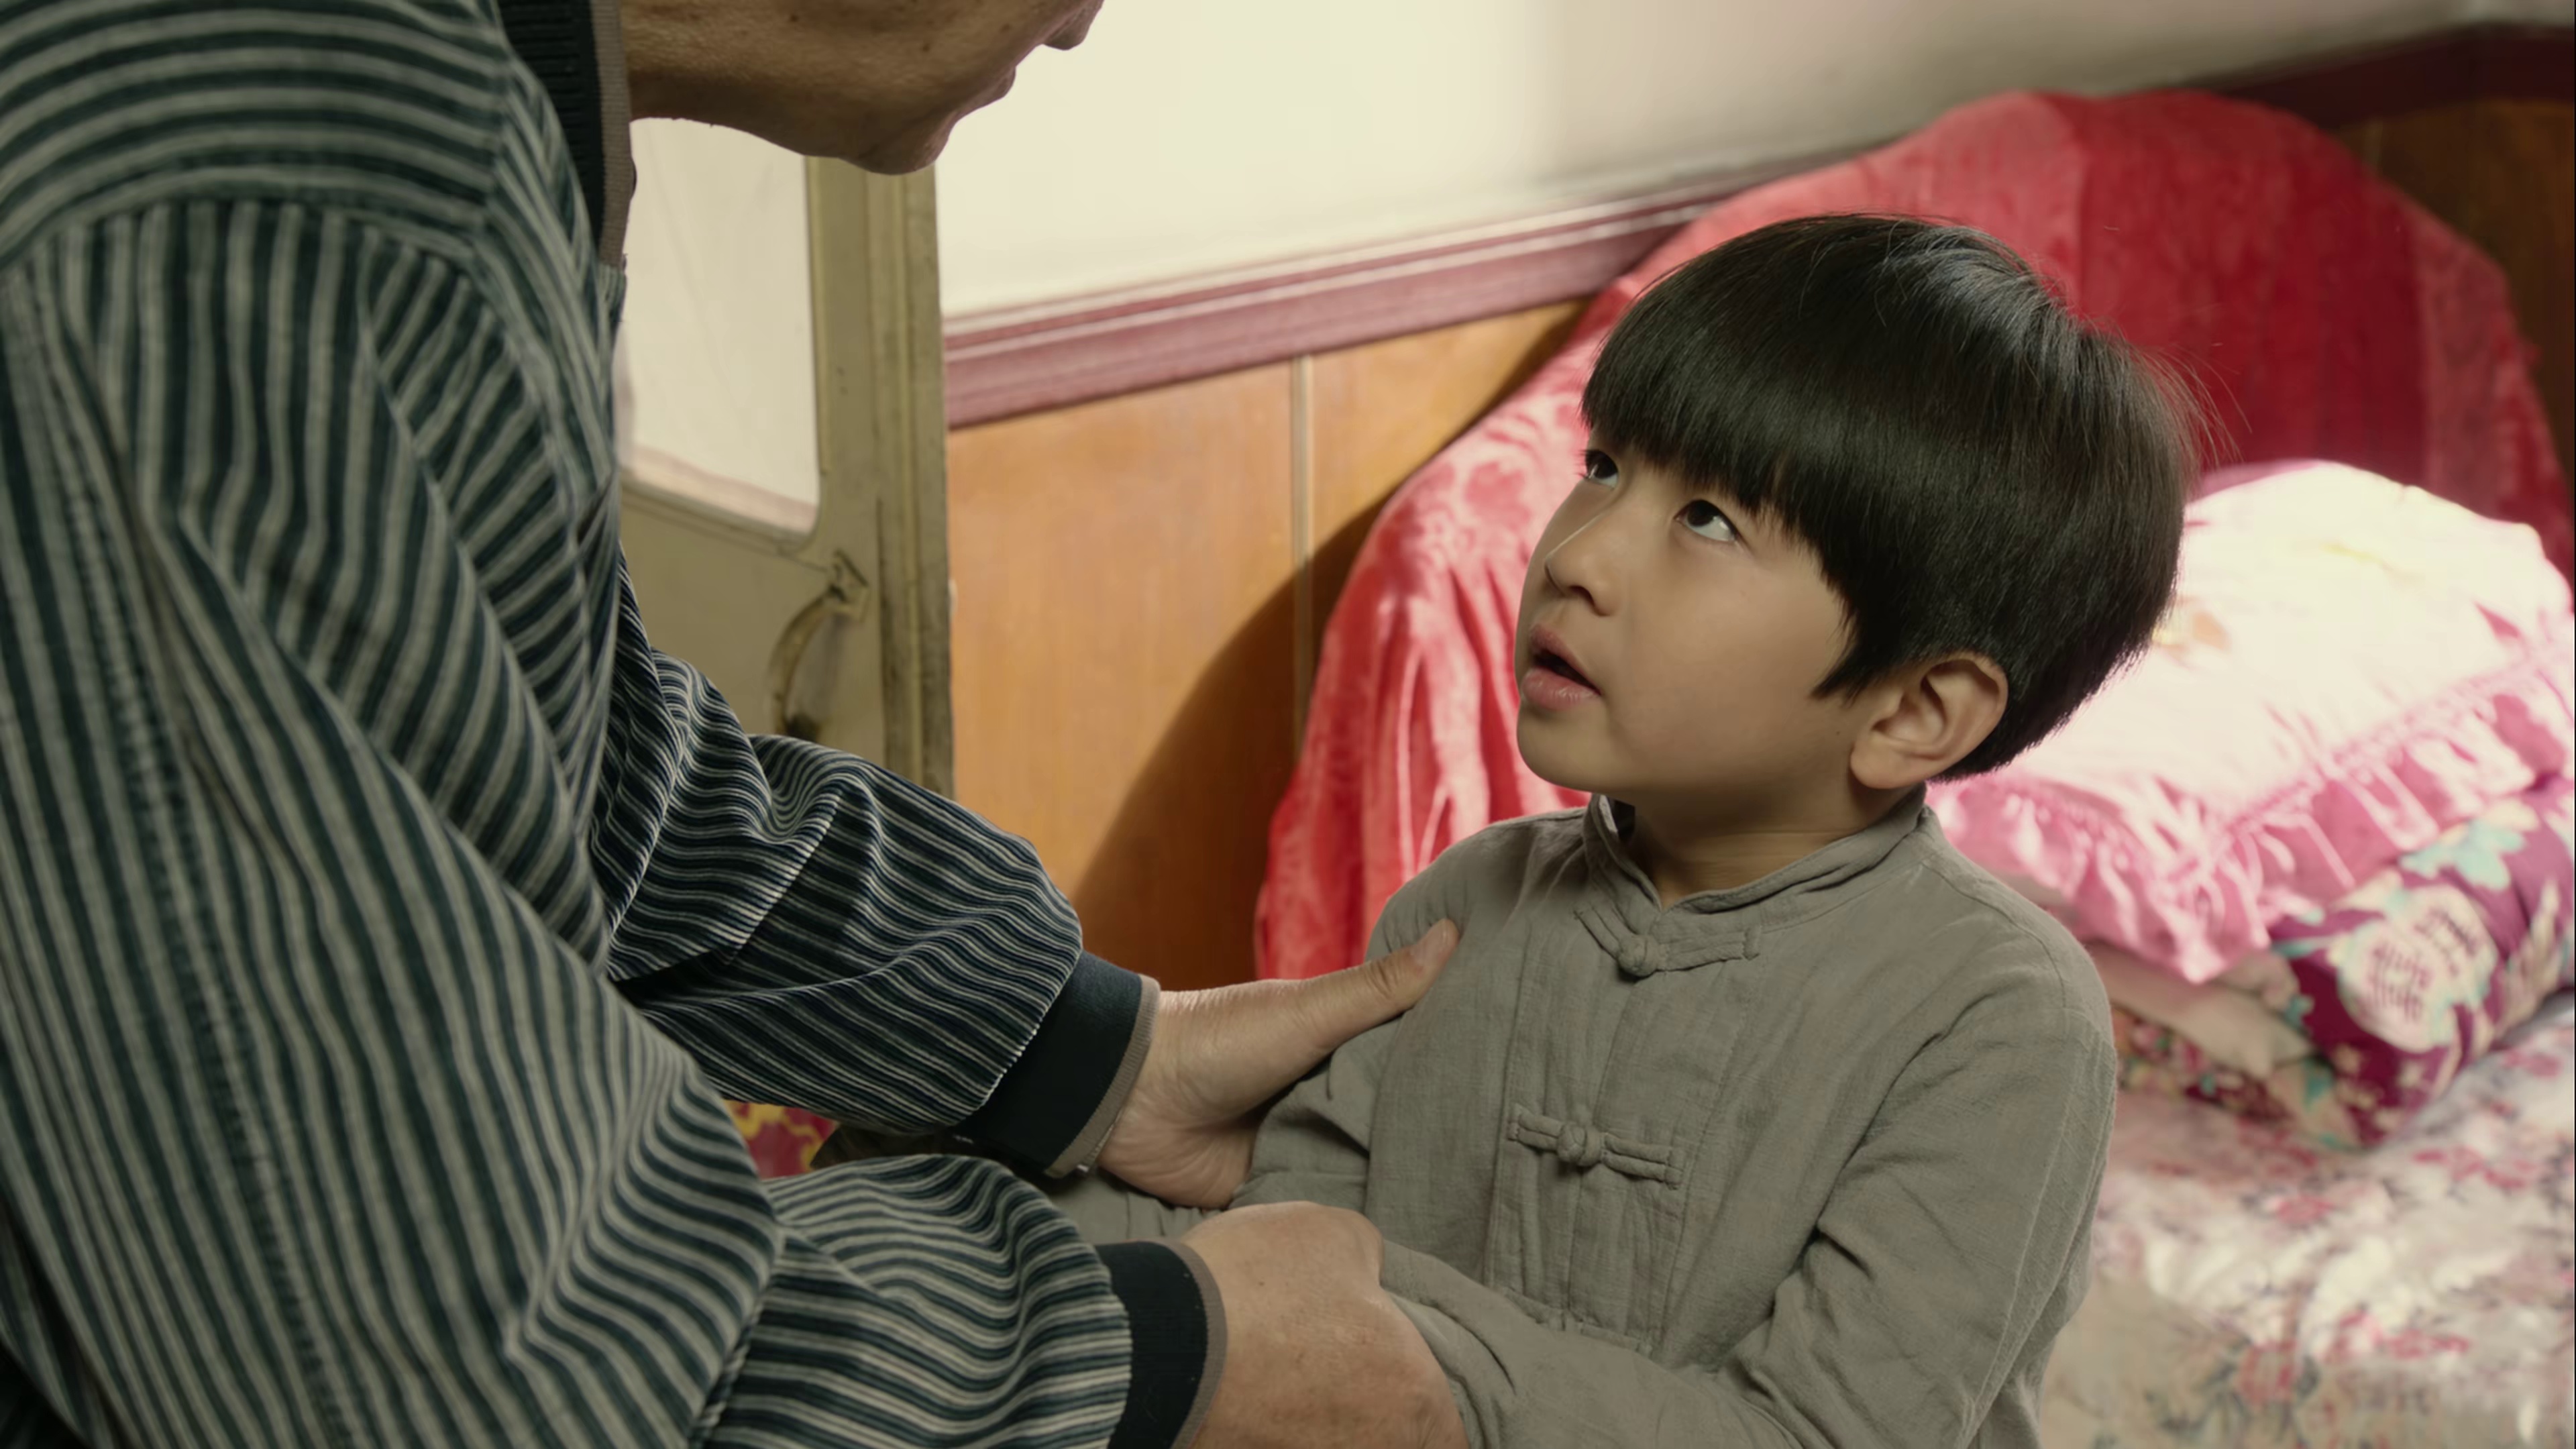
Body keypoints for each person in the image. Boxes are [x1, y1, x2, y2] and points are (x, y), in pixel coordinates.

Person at [0, 1, 1468, 1446]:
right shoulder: (255, 177)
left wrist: (1087, 1052)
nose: (1087, 22)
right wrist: (1156, 1353)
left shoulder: (446, 112)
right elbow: (431, 1354)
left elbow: (582, 769)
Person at [1032, 215, 2196, 1446]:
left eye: (1709, 521)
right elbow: (1289, 1268)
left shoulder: (1997, 1017)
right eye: (1601, 468)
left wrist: (1435, 1374)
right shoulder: (1462, 904)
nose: (1577, 557)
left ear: (1912, 711)